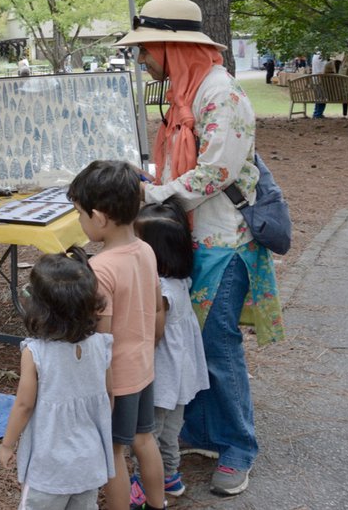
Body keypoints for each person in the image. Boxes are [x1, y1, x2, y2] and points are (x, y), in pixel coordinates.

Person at [115, 0, 284, 496]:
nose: (142, 58)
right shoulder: (188, 93)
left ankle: (237, 448)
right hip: (195, 237)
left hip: (225, 241)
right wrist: (155, 180)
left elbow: (217, 170)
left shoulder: (221, 94)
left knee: (218, 345)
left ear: (172, 46)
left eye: (146, 49)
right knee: (193, 341)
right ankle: (204, 431)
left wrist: (156, 193)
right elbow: (190, 165)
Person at [67, 161, 167, 510]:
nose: (79, 221)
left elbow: (101, 342)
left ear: (99, 217)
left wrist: (103, 388)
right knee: (144, 439)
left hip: (117, 380)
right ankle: (158, 504)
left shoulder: (100, 269)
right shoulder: (146, 250)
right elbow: (157, 309)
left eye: (79, 214)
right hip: (143, 369)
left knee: (113, 453)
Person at [0, 251, 115, 510]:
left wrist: (7, 444)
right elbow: (108, 394)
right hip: (89, 460)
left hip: (48, 467)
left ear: (39, 308)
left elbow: (24, 405)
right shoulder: (101, 345)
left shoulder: (35, 353)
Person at [133, 198, 209, 502]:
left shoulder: (160, 291)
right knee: (170, 429)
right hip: (181, 372)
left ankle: (147, 486)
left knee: (148, 433)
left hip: (162, 373)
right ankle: (171, 476)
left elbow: (154, 333)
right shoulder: (180, 280)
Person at [311, 52, 328, 118]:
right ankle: (318, 114)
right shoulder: (322, 58)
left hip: (315, 80)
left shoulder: (314, 56)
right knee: (322, 98)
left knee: (319, 97)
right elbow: (324, 70)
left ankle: (316, 113)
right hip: (321, 80)